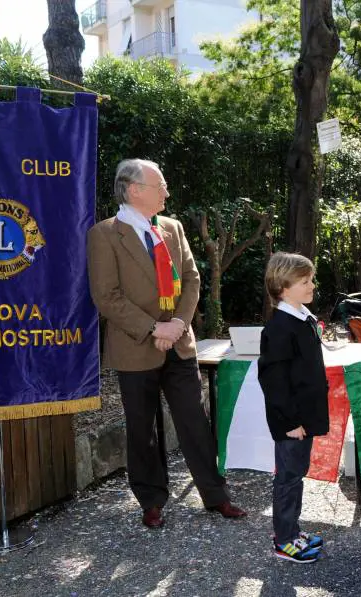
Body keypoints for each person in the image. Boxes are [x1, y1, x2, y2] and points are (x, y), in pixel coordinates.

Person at [86, 158, 246, 528]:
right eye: (160, 186)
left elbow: (191, 279)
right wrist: (153, 328)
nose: (166, 193)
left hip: (179, 341)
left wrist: (176, 324)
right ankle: (151, 501)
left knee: (195, 421)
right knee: (141, 429)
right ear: (134, 190)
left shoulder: (171, 227)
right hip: (135, 345)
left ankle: (216, 495)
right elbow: (106, 296)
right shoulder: (104, 234)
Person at [257, 252, 329, 563]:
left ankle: (293, 531)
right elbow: (274, 382)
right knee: (287, 478)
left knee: (296, 475)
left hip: (302, 416)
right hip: (291, 421)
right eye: (305, 282)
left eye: (311, 280)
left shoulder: (301, 319)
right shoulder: (279, 328)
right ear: (283, 288)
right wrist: (289, 421)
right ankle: (284, 540)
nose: (312, 286)